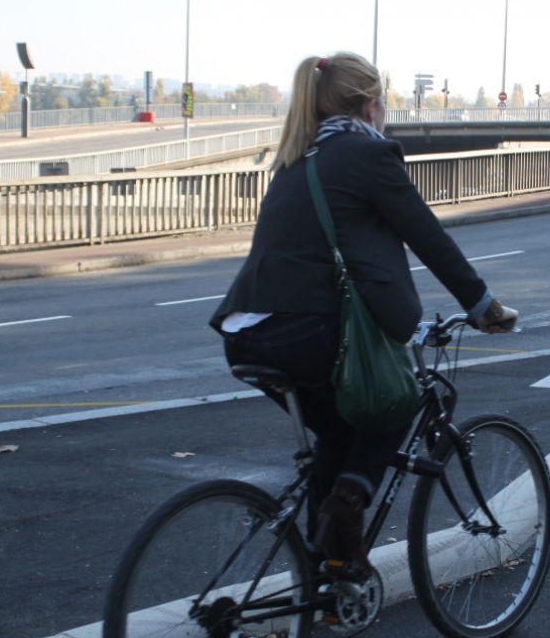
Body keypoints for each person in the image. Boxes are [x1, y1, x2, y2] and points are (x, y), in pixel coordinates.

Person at [210, 51, 518, 577]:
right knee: (395, 403)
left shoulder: (294, 159)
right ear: (372, 103)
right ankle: (347, 509)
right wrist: (482, 306)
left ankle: (324, 574)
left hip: (245, 333)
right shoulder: (366, 154)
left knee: (340, 435)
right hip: (308, 329)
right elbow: (427, 237)